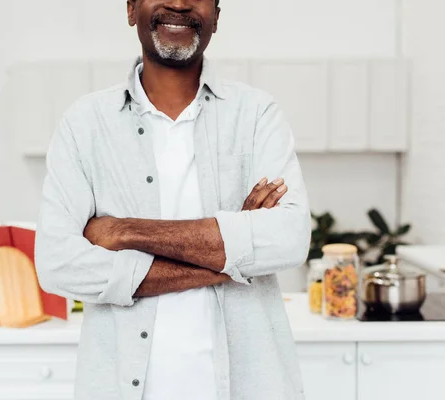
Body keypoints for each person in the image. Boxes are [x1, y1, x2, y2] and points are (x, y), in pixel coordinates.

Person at [34, 0, 311, 399]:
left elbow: (288, 240)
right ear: (131, 9)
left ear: (216, 13)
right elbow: (58, 265)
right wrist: (237, 253)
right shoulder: (85, 124)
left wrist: (124, 231)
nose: (179, 3)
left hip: (248, 386)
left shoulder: (256, 114)